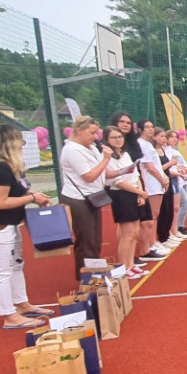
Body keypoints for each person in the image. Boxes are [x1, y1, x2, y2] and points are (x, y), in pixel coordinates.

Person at [0, 123, 54, 328]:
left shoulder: (6, 167)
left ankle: (22, 304)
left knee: (16, 265)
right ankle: (9, 315)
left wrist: (30, 197)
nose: (22, 145)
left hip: (9, 223)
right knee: (0, 271)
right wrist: (31, 198)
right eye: (19, 141)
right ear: (8, 142)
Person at [60, 115, 112, 279]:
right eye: (92, 133)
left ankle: (94, 275)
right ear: (79, 130)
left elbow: (100, 172)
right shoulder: (71, 150)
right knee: (86, 241)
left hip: (93, 197)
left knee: (95, 241)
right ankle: (85, 280)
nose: (95, 137)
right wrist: (105, 159)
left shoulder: (91, 148)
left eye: (97, 133)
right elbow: (89, 176)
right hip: (78, 200)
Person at [104, 126, 149, 279]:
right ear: (107, 140)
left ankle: (130, 264)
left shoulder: (126, 155)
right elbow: (118, 182)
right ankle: (123, 267)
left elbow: (135, 174)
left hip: (134, 193)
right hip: (121, 196)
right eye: (114, 137)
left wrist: (141, 192)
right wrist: (139, 192)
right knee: (127, 235)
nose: (118, 140)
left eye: (120, 137)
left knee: (135, 233)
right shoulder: (107, 158)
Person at [135, 119, 170, 262]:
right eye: (147, 127)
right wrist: (162, 179)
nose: (150, 129)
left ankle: (152, 242)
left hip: (156, 184)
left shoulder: (148, 144)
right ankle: (148, 246)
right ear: (140, 130)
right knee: (150, 217)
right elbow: (149, 167)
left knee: (154, 215)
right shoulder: (141, 144)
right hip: (151, 184)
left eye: (151, 127)